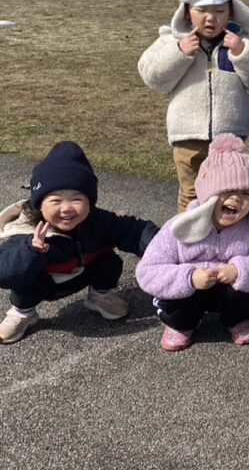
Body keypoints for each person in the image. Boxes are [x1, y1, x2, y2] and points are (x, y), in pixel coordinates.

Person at [139, 0, 249, 212]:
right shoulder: (172, 40)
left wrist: (243, 52)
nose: (210, 18)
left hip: (230, 136)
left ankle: (226, 233)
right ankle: (188, 234)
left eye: (219, 10)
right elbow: (153, 77)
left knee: (229, 191)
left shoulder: (240, 40)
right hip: (187, 137)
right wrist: (179, 53)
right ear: (186, 12)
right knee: (191, 193)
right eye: (201, 10)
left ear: (231, 10)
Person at [0, 142, 158, 343]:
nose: (67, 208)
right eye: (56, 201)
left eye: (76, 199)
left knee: (109, 261)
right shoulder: (25, 231)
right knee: (25, 284)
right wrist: (30, 250)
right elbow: (5, 272)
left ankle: (99, 296)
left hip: (81, 273)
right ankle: (22, 313)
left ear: (89, 202)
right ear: (39, 204)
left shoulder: (98, 220)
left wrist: (164, 245)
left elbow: (133, 230)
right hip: (44, 284)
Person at [136, 134, 249, 351]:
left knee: (238, 292)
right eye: (227, 191)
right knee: (180, 300)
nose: (236, 198)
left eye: (246, 193)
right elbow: (147, 271)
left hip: (225, 290)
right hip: (189, 292)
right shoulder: (180, 227)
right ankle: (180, 325)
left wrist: (239, 269)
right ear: (208, 195)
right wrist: (189, 277)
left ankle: (239, 319)